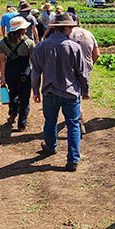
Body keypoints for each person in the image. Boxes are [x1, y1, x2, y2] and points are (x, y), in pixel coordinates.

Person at [31, 13, 89, 172]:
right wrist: (85, 90)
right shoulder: (73, 47)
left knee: (50, 121)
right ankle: (73, 160)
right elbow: (82, 73)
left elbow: (35, 71)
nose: (71, 30)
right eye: (70, 27)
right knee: (73, 125)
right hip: (70, 93)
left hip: (49, 91)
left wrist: (35, 90)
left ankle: (50, 146)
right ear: (65, 28)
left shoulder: (41, 46)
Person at [0, 16, 36, 131]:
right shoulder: (29, 43)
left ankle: (13, 113)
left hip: (10, 72)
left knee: (12, 93)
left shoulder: (3, 42)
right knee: (24, 98)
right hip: (24, 73)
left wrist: (3, 77)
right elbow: (33, 61)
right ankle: (22, 123)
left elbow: (2, 60)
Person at [69, 18, 100, 135]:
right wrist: (89, 66)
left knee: (73, 95)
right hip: (86, 68)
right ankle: (78, 117)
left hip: (70, 69)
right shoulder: (89, 34)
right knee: (79, 92)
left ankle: (79, 120)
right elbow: (97, 54)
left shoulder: (67, 36)